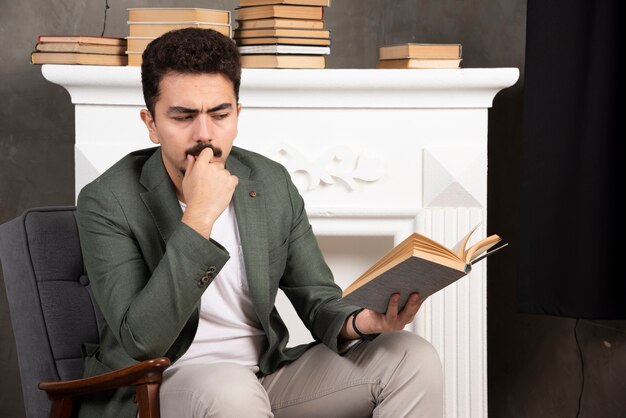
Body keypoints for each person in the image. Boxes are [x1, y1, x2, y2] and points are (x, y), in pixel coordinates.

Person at [76, 28, 443, 418]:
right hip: (157, 383)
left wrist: (362, 321)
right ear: (151, 123)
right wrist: (199, 216)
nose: (204, 134)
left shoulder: (269, 182)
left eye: (220, 114)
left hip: (264, 377)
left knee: (411, 356)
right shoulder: (108, 199)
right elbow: (141, 341)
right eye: (183, 116)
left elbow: (318, 298)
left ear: (238, 114)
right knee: (230, 390)